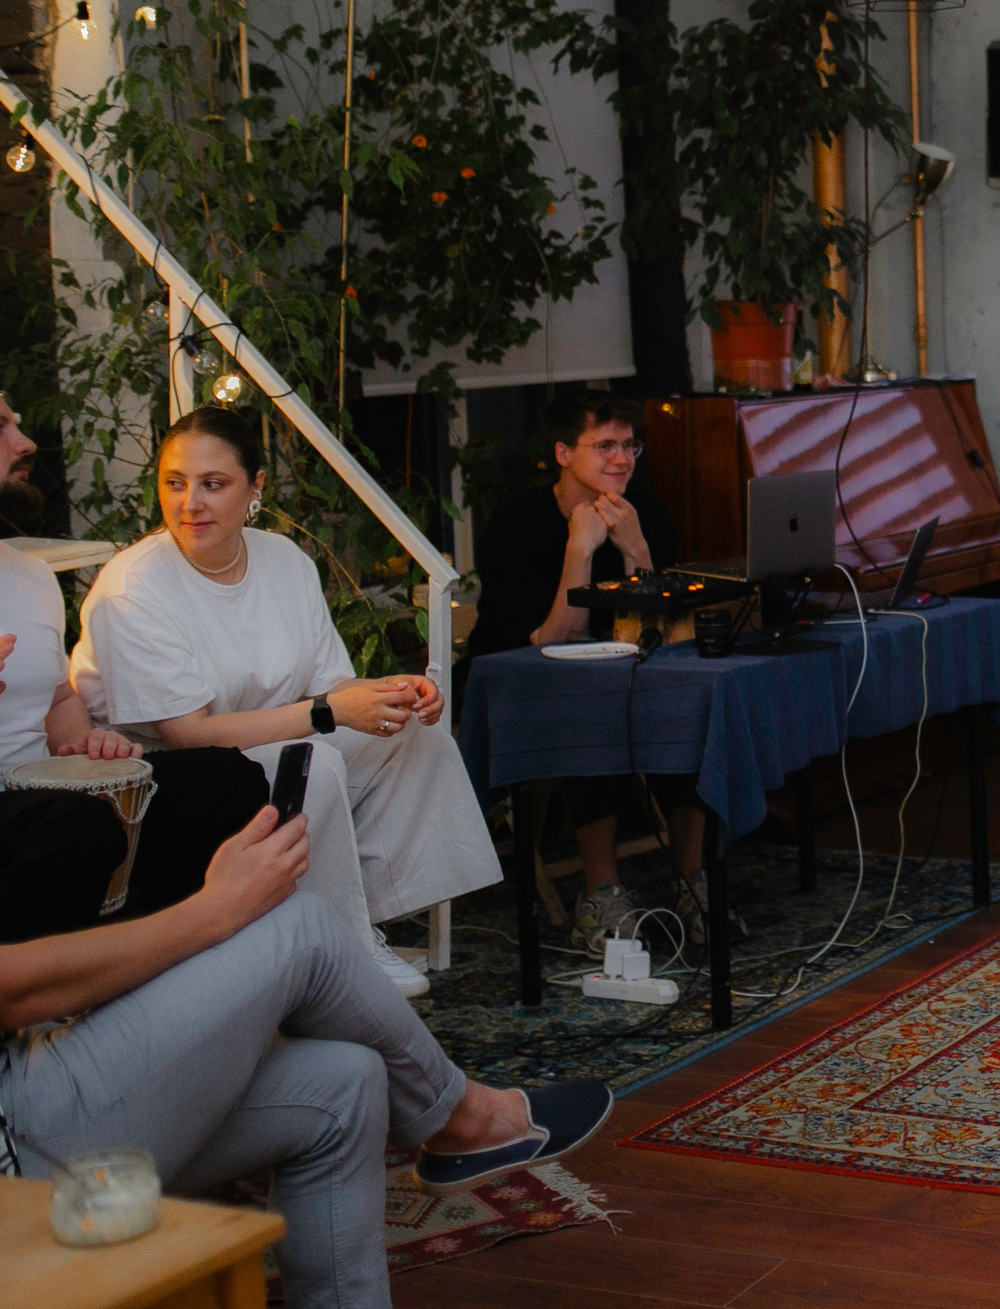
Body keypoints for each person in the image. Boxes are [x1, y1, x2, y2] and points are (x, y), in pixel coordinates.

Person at [1, 797, 611, 1309]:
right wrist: (213, 911)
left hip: (25, 1090)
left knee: (345, 1083)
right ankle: (465, 1120)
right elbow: (12, 988)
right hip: (15, 1158)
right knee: (301, 931)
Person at [69, 407, 502, 998]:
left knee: (409, 734)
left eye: (213, 484)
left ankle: (356, 924)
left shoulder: (284, 560)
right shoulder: (134, 585)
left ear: (256, 487)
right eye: (175, 483)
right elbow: (186, 734)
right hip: (156, 777)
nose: (190, 502)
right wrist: (326, 714)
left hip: (264, 745)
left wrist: (390, 692)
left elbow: (332, 685)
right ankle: (340, 950)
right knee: (312, 760)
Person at [0, 393, 271, 924]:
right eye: (1, 426)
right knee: (78, 824)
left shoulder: (29, 576)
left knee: (224, 777)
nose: (26, 442)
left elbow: (56, 696)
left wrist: (83, 740)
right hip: (34, 817)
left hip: (38, 796)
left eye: (16, 420)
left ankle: (179, 957)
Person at [467, 391, 716, 952]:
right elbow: (552, 640)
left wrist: (637, 553)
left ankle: (692, 880)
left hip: (617, 673)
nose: (622, 459)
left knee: (690, 704)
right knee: (593, 712)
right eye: (604, 445)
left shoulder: (643, 513)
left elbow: (659, 630)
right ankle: (601, 895)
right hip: (518, 682)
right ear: (562, 452)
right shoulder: (518, 521)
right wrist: (579, 552)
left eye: (630, 446)